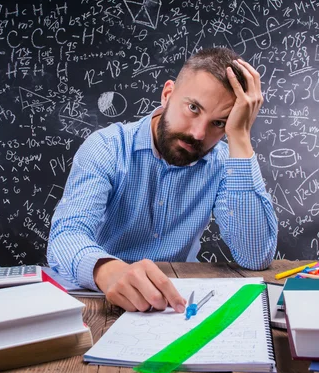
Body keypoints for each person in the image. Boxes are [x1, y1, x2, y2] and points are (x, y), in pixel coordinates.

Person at [47, 47, 278, 313]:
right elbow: (66, 235)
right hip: (101, 300)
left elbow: (255, 256)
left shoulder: (226, 163)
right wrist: (106, 270)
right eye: (193, 108)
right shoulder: (108, 147)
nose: (198, 134)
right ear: (168, 94)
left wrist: (239, 136)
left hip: (177, 305)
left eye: (219, 123)